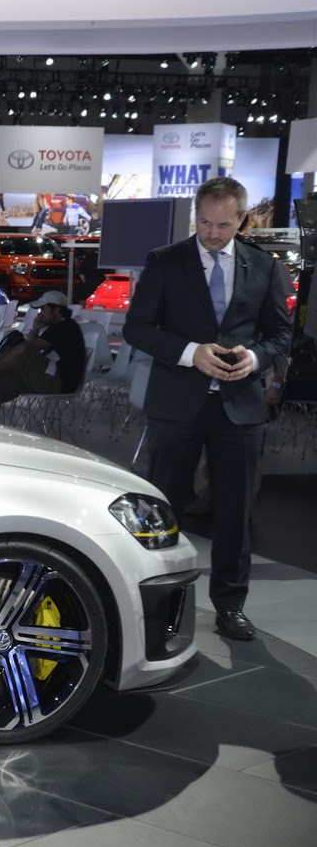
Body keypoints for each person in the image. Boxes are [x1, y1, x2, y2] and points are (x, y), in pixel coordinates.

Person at [123, 176, 293, 642]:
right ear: (195, 217)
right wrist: (190, 352)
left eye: (223, 225)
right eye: (204, 223)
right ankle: (158, 608)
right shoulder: (164, 261)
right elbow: (138, 327)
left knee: (235, 514)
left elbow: (281, 333)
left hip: (240, 408)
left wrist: (255, 357)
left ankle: (230, 606)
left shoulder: (264, 266)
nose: (212, 234)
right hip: (176, 404)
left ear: (242, 220)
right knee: (164, 511)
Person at [0, 290, 85, 422]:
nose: (40, 313)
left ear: (57, 310)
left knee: (23, 350)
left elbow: (28, 348)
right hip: (46, 378)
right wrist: (35, 328)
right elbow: (29, 346)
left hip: (60, 382)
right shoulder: (59, 327)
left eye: (43, 309)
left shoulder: (65, 326)